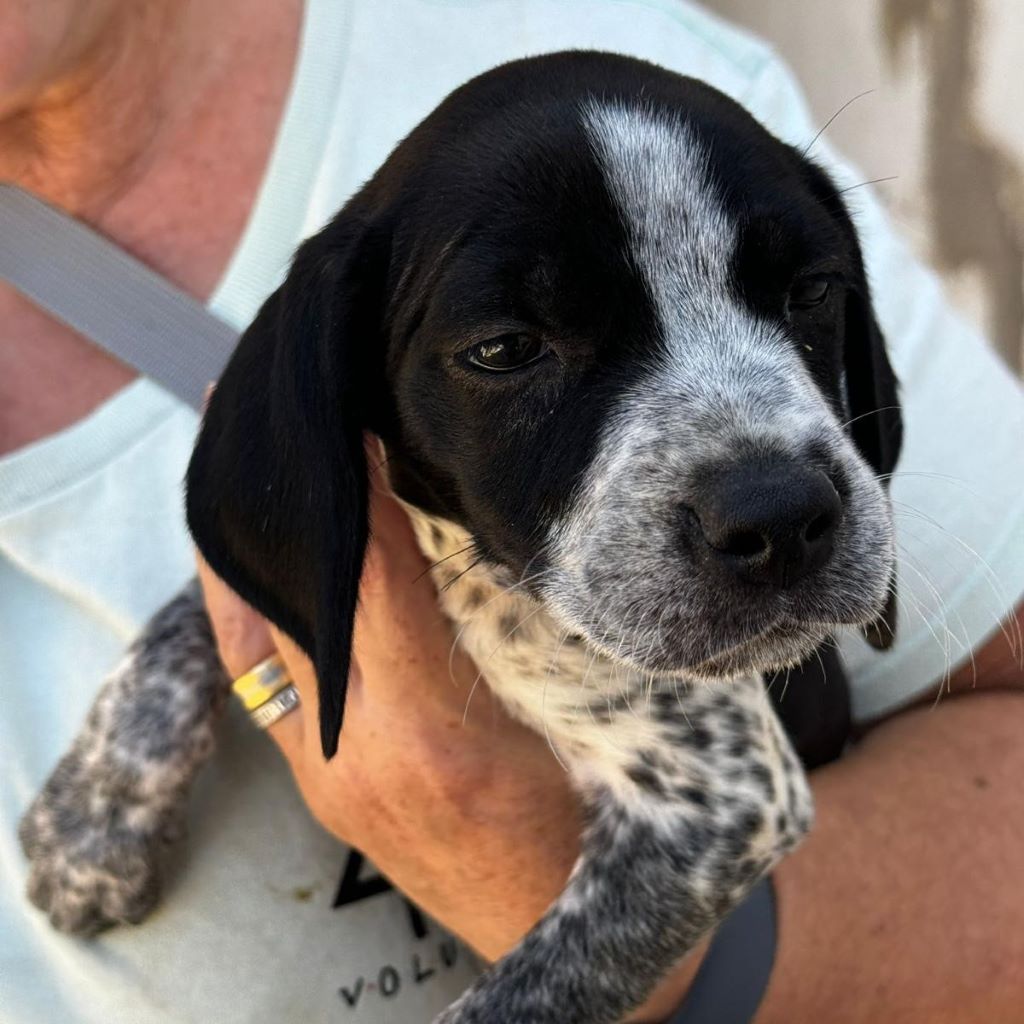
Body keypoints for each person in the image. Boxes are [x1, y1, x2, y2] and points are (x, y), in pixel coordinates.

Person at [2, 1, 1022, 1021]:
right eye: (510, 349)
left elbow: (745, 811)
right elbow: (291, 518)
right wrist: (147, 725)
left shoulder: (644, 57)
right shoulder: (355, 328)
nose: (763, 484)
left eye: (799, 295)